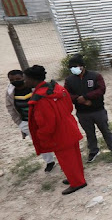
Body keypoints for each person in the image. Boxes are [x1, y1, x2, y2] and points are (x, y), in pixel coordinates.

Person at [24, 65, 87, 195]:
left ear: (32, 80)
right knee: (74, 156)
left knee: (66, 159)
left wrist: (41, 136)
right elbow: (69, 106)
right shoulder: (57, 88)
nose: (25, 81)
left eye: (26, 79)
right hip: (69, 126)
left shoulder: (41, 98)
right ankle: (76, 177)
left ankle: (77, 182)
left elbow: (47, 123)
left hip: (59, 134)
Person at [64, 54, 112, 162]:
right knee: (89, 133)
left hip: (98, 110)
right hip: (82, 112)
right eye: (71, 67)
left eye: (75, 66)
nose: (73, 69)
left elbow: (101, 90)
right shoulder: (69, 80)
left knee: (105, 130)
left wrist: (87, 97)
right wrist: (80, 99)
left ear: (82, 66)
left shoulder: (95, 76)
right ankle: (93, 151)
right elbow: (66, 94)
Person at [5, 69, 55, 172]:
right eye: (12, 80)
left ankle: (62, 157)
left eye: (18, 78)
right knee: (39, 142)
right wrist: (19, 123)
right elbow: (10, 107)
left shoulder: (33, 88)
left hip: (42, 120)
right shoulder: (10, 92)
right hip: (26, 122)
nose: (15, 81)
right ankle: (49, 161)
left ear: (24, 77)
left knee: (53, 137)